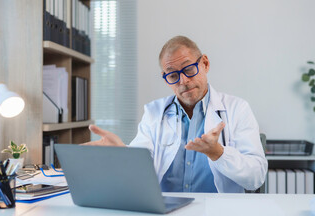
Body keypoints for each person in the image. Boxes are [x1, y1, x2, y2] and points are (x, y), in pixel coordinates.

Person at [85, 36, 268, 193]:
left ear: (205, 63)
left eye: (189, 69)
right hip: (166, 209)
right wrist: (123, 155)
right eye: (173, 75)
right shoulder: (153, 113)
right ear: (166, 78)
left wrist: (218, 153)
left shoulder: (237, 109)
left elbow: (256, 176)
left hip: (217, 209)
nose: (183, 81)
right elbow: (141, 168)